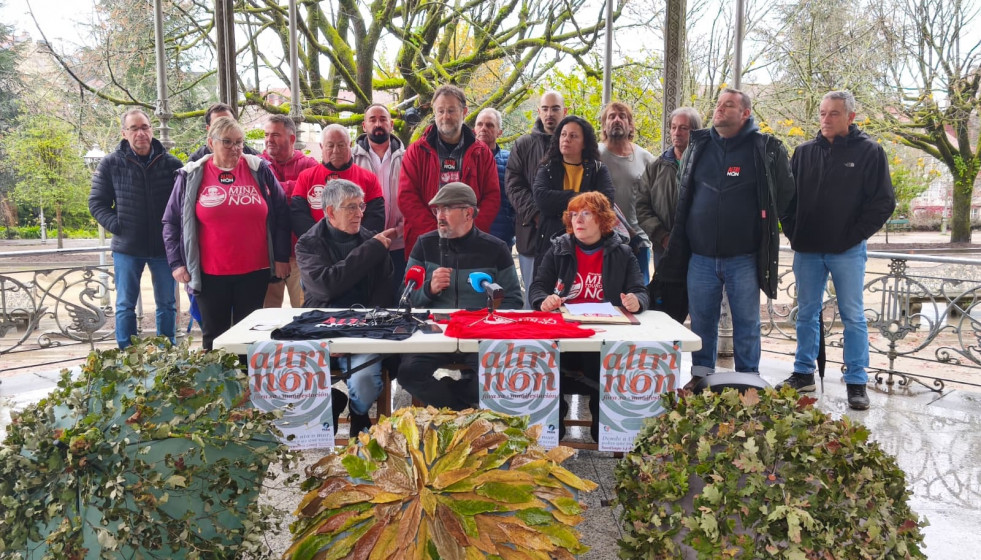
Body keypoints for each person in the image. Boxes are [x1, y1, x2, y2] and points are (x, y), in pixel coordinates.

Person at [660, 88, 795, 384]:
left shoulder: (765, 148)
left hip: (744, 257)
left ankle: (749, 381)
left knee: (747, 323)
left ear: (745, 113)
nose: (719, 109)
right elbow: (685, 194)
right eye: (718, 104)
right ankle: (701, 378)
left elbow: (784, 196)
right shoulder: (700, 145)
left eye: (729, 105)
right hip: (701, 257)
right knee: (702, 323)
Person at [777, 91, 895, 410]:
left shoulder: (870, 152)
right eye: (822, 113)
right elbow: (785, 199)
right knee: (805, 313)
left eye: (833, 114)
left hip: (847, 251)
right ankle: (803, 373)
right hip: (808, 251)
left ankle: (856, 381)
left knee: (853, 316)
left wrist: (852, 237)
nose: (826, 119)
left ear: (850, 117)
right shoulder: (803, 153)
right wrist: (793, 232)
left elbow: (884, 202)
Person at [162, 116, 291, 350]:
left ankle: (247, 385)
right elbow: (170, 222)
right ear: (211, 143)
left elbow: (282, 213)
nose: (236, 148)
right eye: (228, 142)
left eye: (240, 142)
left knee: (249, 338)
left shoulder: (258, 169)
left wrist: (281, 256)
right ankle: (218, 386)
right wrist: (176, 263)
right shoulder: (192, 174)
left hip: (255, 271)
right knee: (215, 338)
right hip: (210, 273)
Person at [529, 191, 648, 441]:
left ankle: (602, 421)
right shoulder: (558, 249)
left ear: (603, 219)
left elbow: (640, 290)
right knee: (546, 360)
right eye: (573, 215)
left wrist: (636, 301)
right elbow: (537, 288)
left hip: (606, 336)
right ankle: (555, 422)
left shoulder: (623, 253)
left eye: (586, 214)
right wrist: (544, 300)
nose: (578, 220)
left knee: (602, 363)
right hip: (565, 335)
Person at [398, 183, 523, 410]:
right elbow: (405, 298)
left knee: (497, 377)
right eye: (437, 210)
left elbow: (514, 300)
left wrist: (488, 314)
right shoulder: (424, 244)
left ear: (468, 212)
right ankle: (462, 411)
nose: (439, 216)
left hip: (478, 332)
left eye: (446, 209)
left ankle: (453, 401)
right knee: (408, 374)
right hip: (433, 332)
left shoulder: (495, 248)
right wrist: (429, 289)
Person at [294, 179, 399, 433]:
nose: (360, 213)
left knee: (365, 382)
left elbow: (384, 298)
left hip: (366, 332)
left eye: (361, 206)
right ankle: (334, 400)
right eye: (350, 207)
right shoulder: (308, 244)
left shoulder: (373, 242)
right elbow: (327, 286)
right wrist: (370, 249)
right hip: (322, 329)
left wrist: (356, 334)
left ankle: (358, 412)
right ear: (330, 212)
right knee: (282, 373)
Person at [89, 108, 183, 349]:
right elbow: (97, 203)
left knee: (166, 304)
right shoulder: (111, 163)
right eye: (134, 128)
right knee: (125, 305)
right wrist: (119, 226)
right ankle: (126, 355)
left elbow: (184, 205)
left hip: (164, 248)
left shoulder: (172, 164)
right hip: (127, 247)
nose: (140, 133)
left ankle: (166, 353)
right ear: (124, 133)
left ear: (151, 129)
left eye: (145, 127)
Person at [398, 84, 500, 254]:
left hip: (471, 245)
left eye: (451, 110)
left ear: (464, 111)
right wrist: (437, 232)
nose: (445, 116)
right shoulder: (416, 151)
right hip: (426, 244)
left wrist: (468, 230)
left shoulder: (482, 153)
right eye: (440, 111)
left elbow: (492, 196)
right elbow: (407, 197)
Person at [506, 91, 568, 307]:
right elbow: (513, 184)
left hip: (570, 233)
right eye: (545, 108)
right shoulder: (523, 145)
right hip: (531, 233)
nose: (550, 113)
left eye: (555, 108)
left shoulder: (575, 143)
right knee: (534, 299)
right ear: (539, 112)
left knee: (566, 298)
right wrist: (535, 214)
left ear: (565, 111)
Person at [532, 115, 615, 266]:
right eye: (563, 134)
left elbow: (606, 202)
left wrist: (564, 202)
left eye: (573, 136)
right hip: (551, 245)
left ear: (585, 143)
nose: (566, 139)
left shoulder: (598, 169)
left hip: (590, 246)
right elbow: (541, 199)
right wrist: (582, 200)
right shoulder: (547, 168)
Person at [260, 114, 318, 309]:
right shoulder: (257, 165)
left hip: (299, 255)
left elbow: (315, 202)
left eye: (275, 135)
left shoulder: (309, 166)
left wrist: (275, 189)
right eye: (266, 134)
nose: (269, 139)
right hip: (266, 254)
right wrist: (294, 188)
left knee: (303, 311)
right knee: (265, 317)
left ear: (292, 138)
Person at [352, 104, 407, 299]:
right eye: (373, 119)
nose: (378, 124)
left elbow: (414, 199)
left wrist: (399, 230)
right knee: (366, 300)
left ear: (391, 124)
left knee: (397, 299)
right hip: (363, 245)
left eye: (383, 119)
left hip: (399, 243)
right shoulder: (351, 159)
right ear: (364, 125)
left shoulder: (407, 158)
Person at [291, 124, 385, 237]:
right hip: (317, 248)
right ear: (321, 146)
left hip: (358, 249)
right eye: (330, 146)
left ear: (350, 145)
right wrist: (322, 241)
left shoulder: (369, 178)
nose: (336, 151)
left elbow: (375, 219)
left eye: (341, 145)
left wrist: (352, 243)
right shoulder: (306, 177)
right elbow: (299, 216)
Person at [637, 106, 701, 268]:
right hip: (664, 248)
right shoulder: (656, 167)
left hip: (699, 250)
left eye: (683, 128)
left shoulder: (706, 165)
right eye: (673, 127)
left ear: (695, 131)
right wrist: (663, 236)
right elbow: (642, 206)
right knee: (665, 293)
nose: (676, 132)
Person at [598, 101, 654, 280]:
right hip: (601, 240)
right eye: (611, 116)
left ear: (630, 125)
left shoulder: (646, 158)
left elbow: (655, 200)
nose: (616, 120)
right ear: (604, 126)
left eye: (622, 117)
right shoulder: (594, 155)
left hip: (638, 240)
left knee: (638, 297)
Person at [474, 107, 515, 250]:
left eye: (490, 125)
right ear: (474, 129)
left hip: (501, 238)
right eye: (480, 124)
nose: (483, 128)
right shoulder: (464, 158)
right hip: (469, 237)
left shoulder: (510, 160)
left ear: (500, 131)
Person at [188, 103, 259, 162]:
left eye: (229, 122)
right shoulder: (196, 161)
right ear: (208, 129)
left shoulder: (255, 160)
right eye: (218, 125)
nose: (226, 128)